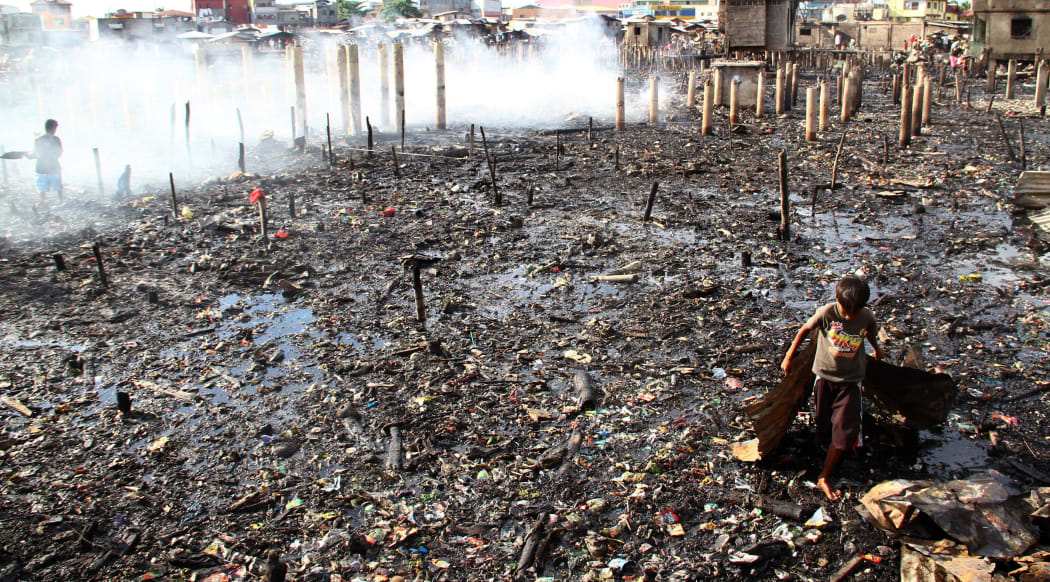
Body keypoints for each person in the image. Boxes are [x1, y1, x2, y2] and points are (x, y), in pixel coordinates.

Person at [781, 275, 885, 501]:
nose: (848, 315)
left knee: (844, 429)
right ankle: (830, 449)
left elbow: (870, 333)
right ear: (837, 299)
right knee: (823, 421)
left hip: (850, 381)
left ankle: (824, 476)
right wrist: (789, 356)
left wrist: (877, 350)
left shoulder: (866, 316)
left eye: (853, 311)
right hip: (824, 377)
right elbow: (804, 330)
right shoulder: (828, 312)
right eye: (845, 309)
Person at [31, 119, 62, 204]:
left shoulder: (38, 140)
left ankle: (43, 202)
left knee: (42, 188)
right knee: (57, 186)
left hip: (41, 167)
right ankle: (60, 201)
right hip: (53, 166)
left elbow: (35, 153)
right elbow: (59, 153)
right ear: (53, 128)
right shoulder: (56, 139)